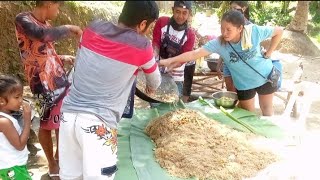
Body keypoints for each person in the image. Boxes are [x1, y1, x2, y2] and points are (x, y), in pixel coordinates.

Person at [59, 1, 161, 179]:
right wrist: (150, 88)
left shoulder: (93, 28)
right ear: (143, 24)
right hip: (98, 124)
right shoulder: (142, 46)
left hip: (68, 116)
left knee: (70, 176)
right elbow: (155, 82)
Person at [160, 10, 283, 116]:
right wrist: (168, 61)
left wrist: (268, 53)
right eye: (222, 28)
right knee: (247, 115)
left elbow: (279, 31)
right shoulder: (219, 43)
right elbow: (194, 54)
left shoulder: (254, 31)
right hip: (244, 84)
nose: (224, 33)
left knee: (267, 110)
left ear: (240, 28)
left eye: (228, 29)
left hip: (264, 76)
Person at [14, 1, 83, 179]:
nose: (58, 11)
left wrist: (62, 57)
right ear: (49, 4)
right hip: (40, 85)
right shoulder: (23, 20)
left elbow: (43, 52)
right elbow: (42, 36)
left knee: (62, 123)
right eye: (57, 7)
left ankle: (61, 160)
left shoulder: (47, 26)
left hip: (60, 82)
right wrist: (68, 28)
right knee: (46, 126)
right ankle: (52, 164)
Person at [152, 0, 196, 99]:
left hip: (176, 77)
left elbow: (183, 59)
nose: (180, 16)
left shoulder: (190, 34)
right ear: (173, 10)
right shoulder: (162, 22)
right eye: (177, 11)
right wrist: (155, 59)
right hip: (157, 73)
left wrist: (168, 67)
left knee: (173, 106)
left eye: (184, 13)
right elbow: (156, 43)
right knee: (155, 102)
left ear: (189, 14)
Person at [0, 75, 32, 180]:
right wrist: (27, 120)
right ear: (1, 101)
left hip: (10, 166)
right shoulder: (4, 122)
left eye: (21, 96)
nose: (21, 100)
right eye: (17, 97)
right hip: (13, 168)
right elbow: (20, 145)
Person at [216, 1, 252, 92]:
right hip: (228, 63)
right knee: (230, 93)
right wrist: (218, 65)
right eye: (231, 8)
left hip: (241, 65)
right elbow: (224, 46)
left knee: (241, 93)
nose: (232, 11)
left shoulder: (249, 27)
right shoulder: (227, 25)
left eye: (235, 8)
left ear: (243, 9)